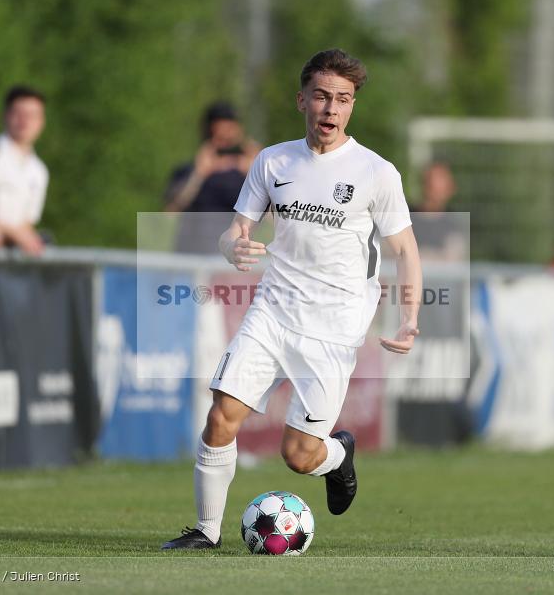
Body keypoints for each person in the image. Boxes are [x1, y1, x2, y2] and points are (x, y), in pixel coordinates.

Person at [162, 49, 422, 550]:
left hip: (334, 328)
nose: (331, 108)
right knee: (221, 415)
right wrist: (233, 247)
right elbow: (236, 229)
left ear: (352, 107)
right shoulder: (273, 160)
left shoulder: (376, 172)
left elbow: (405, 250)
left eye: (342, 99)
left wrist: (409, 315)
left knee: (299, 455)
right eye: (322, 96)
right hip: (273, 311)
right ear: (302, 100)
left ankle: (338, 457)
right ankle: (206, 531)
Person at [164, 102, 259, 254]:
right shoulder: (189, 172)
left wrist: (259, 173)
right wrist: (199, 173)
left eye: (230, 138)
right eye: (219, 138)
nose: (225, 145)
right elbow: (170, 212)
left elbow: (278, 218)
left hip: (233, 259)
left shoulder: (249, 177)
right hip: (192, 256)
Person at [0, 85, 48, 255]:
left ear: (41, 122)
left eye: (32, 116)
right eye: (19, 114)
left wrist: (29, 240)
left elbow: (27, 222)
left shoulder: (39, 171)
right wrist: (13, 233)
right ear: (5, 116)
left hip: (12, 258)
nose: (25, 122)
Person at [410, 161, 467, 261]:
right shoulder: (405, 218)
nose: (433, 183)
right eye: (430, 179)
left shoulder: (455, 226)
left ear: (450, 188)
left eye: (440, 179)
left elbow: (454, 261)